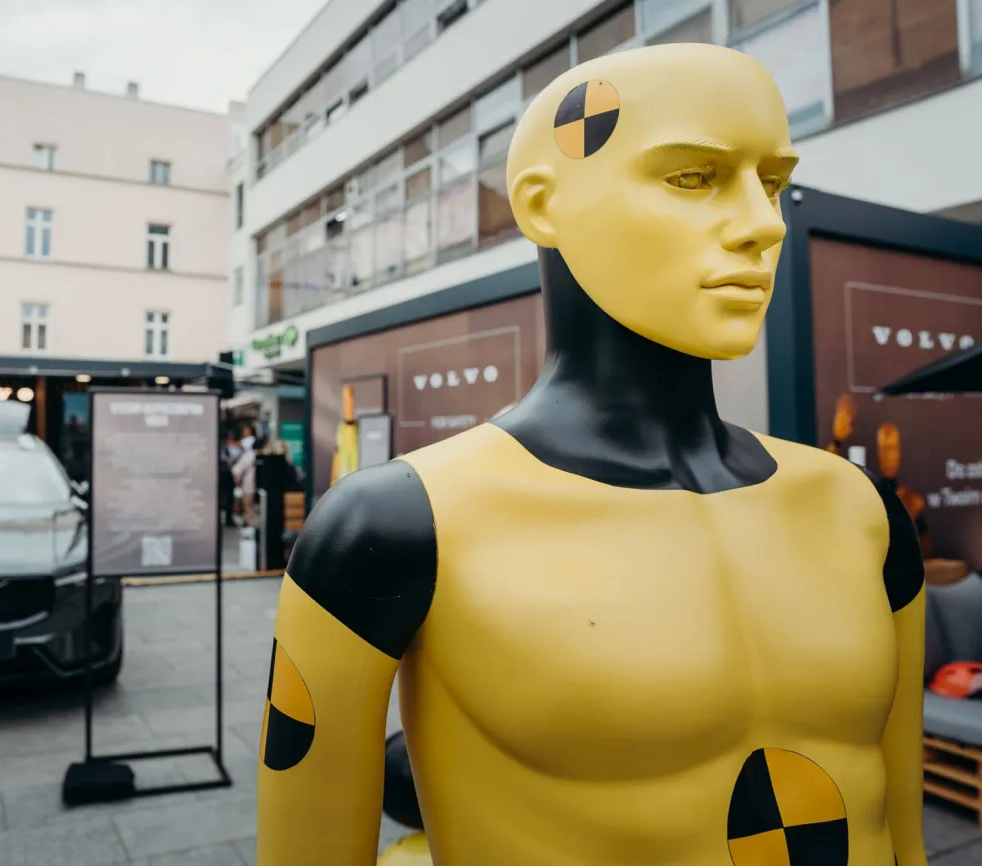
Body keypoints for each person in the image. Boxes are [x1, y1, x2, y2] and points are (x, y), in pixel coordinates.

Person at [257, 44, 926, 865]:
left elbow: (901, 830)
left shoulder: (857, 511)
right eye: (694, 177)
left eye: (774, 182)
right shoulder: (398, 527)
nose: (765, 224)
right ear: (544, 205)